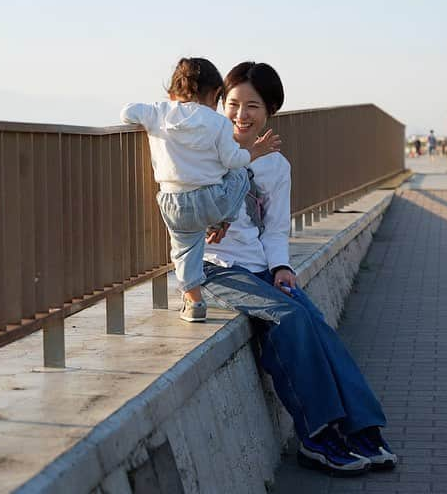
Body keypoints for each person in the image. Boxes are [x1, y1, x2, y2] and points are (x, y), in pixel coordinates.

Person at [201, 61, 398, 476]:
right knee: (289, 319)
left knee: (314, 320)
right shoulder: (206, 152)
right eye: (232, 103)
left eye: (252, 106)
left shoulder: (277, 166)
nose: (241, 114)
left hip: (259, 266)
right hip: (217, 266)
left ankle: (359, 427)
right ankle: (317, 435)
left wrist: (282, 267)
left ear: (270, 110)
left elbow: (274, 229)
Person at [121, 58, 280, 322]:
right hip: (212, 200)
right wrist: (253, 152)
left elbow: (126, 112)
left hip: (174, 201)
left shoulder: (158, 112)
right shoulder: (218, 123)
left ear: (172, 93)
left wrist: (157, 112)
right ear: (217, 94)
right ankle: (222, 222)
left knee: (184, 250)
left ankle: (194, 302)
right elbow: (233, 161)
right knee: (240, 175)